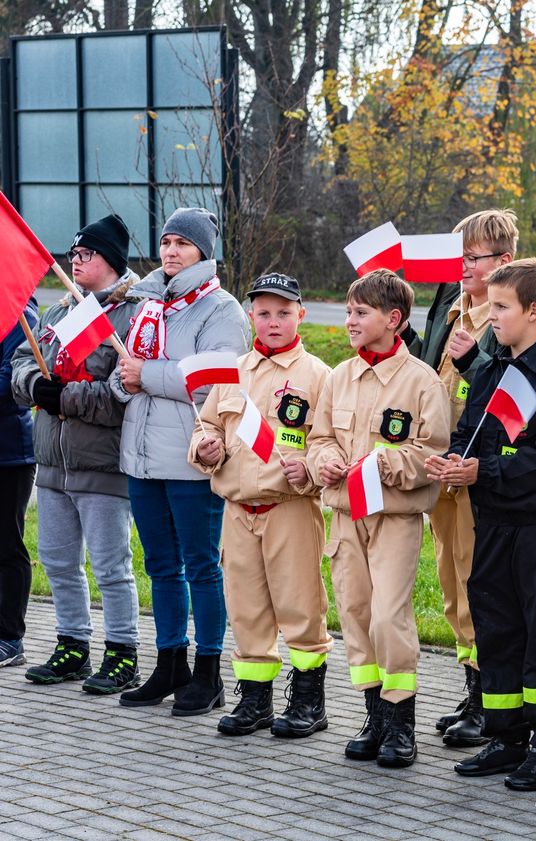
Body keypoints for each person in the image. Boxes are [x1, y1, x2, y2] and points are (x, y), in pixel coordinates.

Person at [426, 258, 536, 792]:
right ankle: (506, 736)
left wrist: (485, 469)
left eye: (500, 307)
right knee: (495, 629)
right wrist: (454, 461)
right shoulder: (491, 371)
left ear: (534, 311)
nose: (489, 316)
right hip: (489, 521)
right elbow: (469, 431)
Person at [307, 268, 450, 768]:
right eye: (347, 311)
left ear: (394, 319)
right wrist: (321, 460)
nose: (349, 320)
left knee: (390, 615)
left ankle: (400, 720)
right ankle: (373, 714)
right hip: (345, 516)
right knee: (357, 614)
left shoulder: (421, 381)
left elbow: (431, 451)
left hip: (394, 516)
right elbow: (318, 437)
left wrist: (384, 463)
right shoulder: (338, 377)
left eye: (359, 313)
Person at [111, 207, 249, 715]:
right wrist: (124, 379)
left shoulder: (221, 310)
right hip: (142, 460)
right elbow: (125, 372)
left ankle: (209, 670)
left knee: (201, 567)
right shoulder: (148, 304)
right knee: (160, 567)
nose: (171, 252)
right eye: (166, 242)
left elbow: (215, 383)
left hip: (191, 460)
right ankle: (171, 661)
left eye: (182, 244)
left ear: (203, 252)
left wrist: (143, 375)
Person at [189, 273, 335, 739]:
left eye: (284, 313)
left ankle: (309, 700)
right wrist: (206, 447)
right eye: (265, 312)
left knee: (300, 605)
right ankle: (254, 700)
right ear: (251, 315)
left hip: (288, 508)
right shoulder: (231, 372)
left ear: (301, 316)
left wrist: (310, 470)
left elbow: (330, 440)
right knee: (247, 608)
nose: (273, 322)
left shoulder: (318, 376)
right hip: (238, 510)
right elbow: (206, 426)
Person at [12, 216, 141, 692]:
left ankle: (122, 650)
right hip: (53, 463)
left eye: (85, 254)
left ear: (109, 260)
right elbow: (23, 366)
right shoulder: (57, 312)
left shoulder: (131, 316)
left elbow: (119, 392)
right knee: (58, 561)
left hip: (101, 463)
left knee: (111, 565)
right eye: (73, 254)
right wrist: (35, 387)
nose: (74, 261)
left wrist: (61, 399)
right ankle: (72, 645)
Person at [408, 209, 517, 748]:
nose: (462, 267)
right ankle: (474, 688)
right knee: (452, 586)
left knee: (481, 586)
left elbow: (506, 390)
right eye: (460, 257)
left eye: (471, 258)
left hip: (477, 471)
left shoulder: (504, 315)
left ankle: (495, 698)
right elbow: (428, 370)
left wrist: (474, 361)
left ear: (504, 262)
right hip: (440, 466)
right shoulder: (448, 307)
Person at [0, 296, 37, 670]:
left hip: (9, 454)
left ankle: (10, 638)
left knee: (7, 546)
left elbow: (9, 381)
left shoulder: (18, 316)